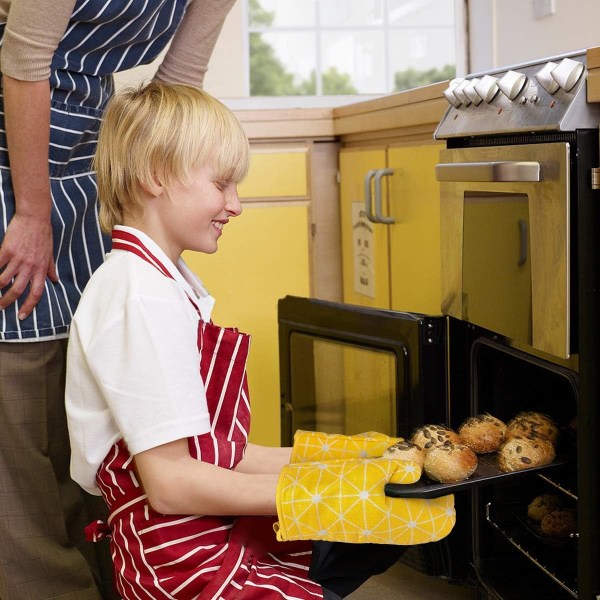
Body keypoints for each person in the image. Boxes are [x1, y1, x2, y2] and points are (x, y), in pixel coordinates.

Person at [65, 81, 456, 599]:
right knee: (352, 528)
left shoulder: (163, 283)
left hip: (214, 533)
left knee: (381, 522)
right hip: (185, 562)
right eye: (222, 184)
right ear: (155, 176)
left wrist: (352, 465)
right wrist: (317, 491)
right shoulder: (137, 296)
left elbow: (218, 452)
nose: (236, 205)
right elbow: (171, 485)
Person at [0, 1, 236, 598]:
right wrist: (32, 212)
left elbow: (177, 85)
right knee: (20, 388)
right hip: (11, 137)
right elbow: (25, 59)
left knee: (86, 374)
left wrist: (153, 215)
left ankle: (105, 574)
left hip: (85, 143)